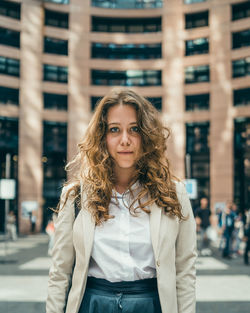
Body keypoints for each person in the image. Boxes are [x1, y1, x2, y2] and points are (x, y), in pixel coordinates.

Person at [46, 88, 197, 313]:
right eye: (114, 129)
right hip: (93, 304)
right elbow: (60, 273)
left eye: (134, 129)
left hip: (151, 305)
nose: (125, 140)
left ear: (146, 135)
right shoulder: (76, 195)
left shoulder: (173, 193)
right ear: (102, 137)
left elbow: (185, 271)